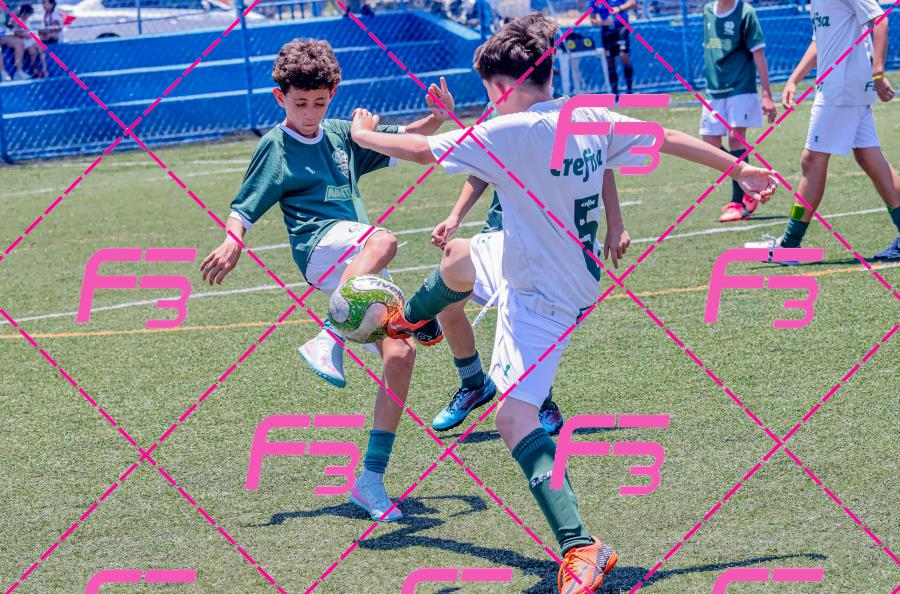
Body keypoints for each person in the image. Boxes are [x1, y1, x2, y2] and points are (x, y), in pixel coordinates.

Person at [349, 14, 776, 592]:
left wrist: (362, 134)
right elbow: (667, 138)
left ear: (502, 88)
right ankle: (414, 318)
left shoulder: (512, 130)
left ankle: (581, 545)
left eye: (488, 92)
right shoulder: (588, 116)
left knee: (513, 417)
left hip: (545, 296)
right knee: (460, 255)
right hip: (528, 256)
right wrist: (740, 168)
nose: (488, 102)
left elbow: (421, 150)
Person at [199, 38, 451, 522]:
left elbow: (414, 146)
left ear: (332, 94)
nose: (310, 113)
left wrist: (436, 118)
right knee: (385, 240)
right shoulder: (276, 146)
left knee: (401, 355)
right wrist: (232, 241)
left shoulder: (341, 134)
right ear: (280, 98)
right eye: (300, 104)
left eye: (319, 102)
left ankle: (369, 481)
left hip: (356, 258)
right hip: (319, 249)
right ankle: (328, 336)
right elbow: (243, 208)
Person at [746, 0, 898, 262]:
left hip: (840, 90)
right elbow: (820, 41)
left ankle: (789, 246)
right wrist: (794, 79)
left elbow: (880, 20)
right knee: (870, 158)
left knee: (812, 160)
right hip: (842, 88)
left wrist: (878, 72)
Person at [427, 171, 566, 436]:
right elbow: (481, 168)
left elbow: (600, 167)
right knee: (447, 300)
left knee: (521, 316)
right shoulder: (499, 140)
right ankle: (474, 383)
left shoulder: (563, 144)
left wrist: (615, 223)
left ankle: (542, 402)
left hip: (540, 240)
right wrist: (454, 217)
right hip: (495, 235)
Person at [700, 0, 777, 222]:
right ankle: (751, 176)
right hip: (714, 90)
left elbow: (759, 54)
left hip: (741, 87)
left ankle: (739, 202)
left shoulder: (746, 13)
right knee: (709, 145)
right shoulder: (707, 11)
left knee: (736, 139)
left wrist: (767, 94)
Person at [590, 0, 635, 97]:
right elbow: (593, 20)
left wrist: (619, 8)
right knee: (610, 60)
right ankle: (615, 93)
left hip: (621, 27)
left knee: (624, 56)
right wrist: (603, 22)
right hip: (607, 30)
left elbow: (632, 3)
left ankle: (629, 91)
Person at [1, 5, 32, 81]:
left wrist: (14, 25)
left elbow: (7, 24)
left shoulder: (3, 9)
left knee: (19, 43)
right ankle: (2, 72)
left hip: (2, 34)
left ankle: (19, 72)